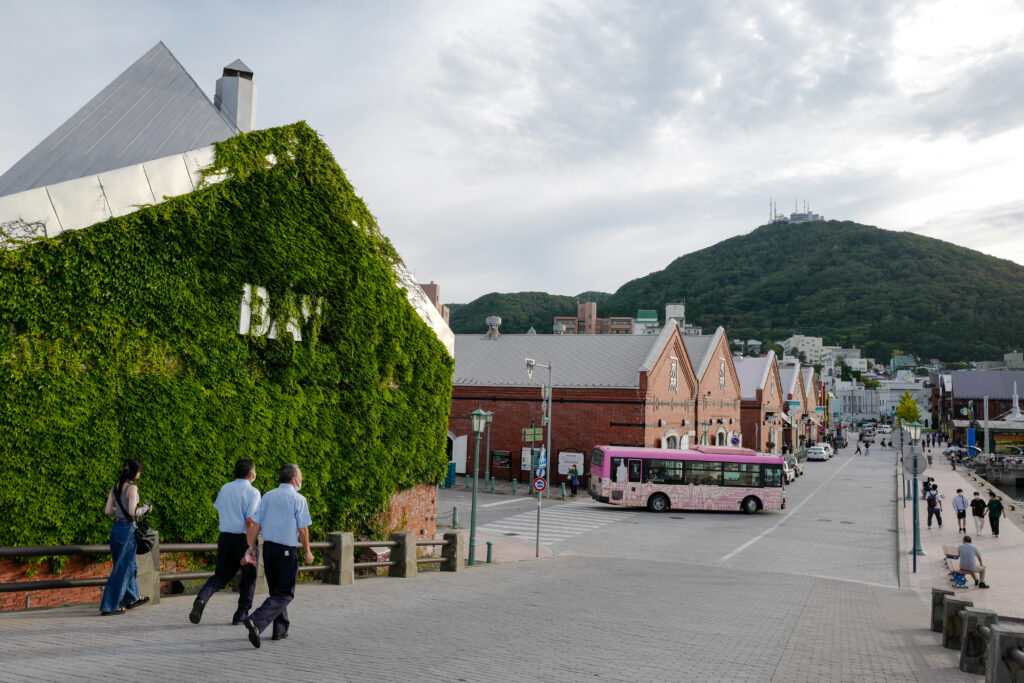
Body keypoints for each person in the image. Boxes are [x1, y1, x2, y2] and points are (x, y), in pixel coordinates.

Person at [243, 464, 313, 648]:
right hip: (287, 551)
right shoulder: (299, 499)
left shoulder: (268, 496)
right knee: (285, 593)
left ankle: (280, 629)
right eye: (301, 476)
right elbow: (303, 529)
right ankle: (256, 620)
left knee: (276, 591)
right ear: (293, 479)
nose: (302, 480)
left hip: (269, 549)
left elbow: (255, 523)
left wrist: (251, 547)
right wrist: (308, 551)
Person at [189, 458, 262, 626]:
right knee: (249, 577)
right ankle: (241, 614)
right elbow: (250, 521)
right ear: (252, 474)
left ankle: (201, 599)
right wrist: (251, 546)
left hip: (225, 537)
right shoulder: (253, 492)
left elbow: (219, 509)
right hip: (244, 538)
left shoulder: (225, 488)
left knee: (220, 576)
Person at [100, 458, 151, 615]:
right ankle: (109, 606)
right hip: (127, 531)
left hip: (115, 529)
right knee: (122, 569)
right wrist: (146, 509)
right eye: (139, 471)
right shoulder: (132, 488)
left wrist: (120, 512)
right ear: (135, 472)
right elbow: (132, 512)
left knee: (129, 565)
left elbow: (108, 511)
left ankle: (133, 597)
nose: (140, 473)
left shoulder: (114, 488)